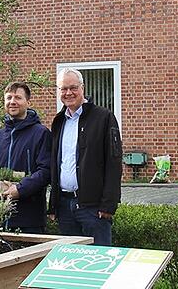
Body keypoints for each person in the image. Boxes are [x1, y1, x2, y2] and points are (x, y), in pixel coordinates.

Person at [48, 68, 122, 246]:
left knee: (99, 262)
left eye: (73, 87)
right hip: (65, 207)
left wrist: (108, 205)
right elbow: (56, 163)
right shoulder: (59, 122)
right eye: (63, 89)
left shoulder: (104, 117)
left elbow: (114, 162)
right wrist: (53, 205)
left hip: (93, 209)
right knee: (72, 265)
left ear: (83, 88)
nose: (68, 93)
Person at [0, 82, 51, 233]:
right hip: (0, 215)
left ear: (28, 102)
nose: (12, 102)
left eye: (18, 98)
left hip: (30, 217)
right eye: (8, 98)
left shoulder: (41, 133)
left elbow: (46, 171)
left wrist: (20, 189)